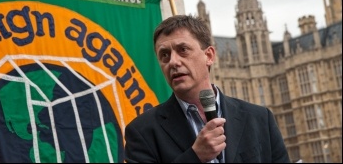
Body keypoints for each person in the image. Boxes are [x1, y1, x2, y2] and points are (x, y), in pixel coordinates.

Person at [124, 14, 290, 163]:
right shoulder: (142, 132)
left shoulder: (260, 119)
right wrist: (195, 157)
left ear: (209, 56)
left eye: (183, 50)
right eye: (164, 55)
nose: (173, 62)